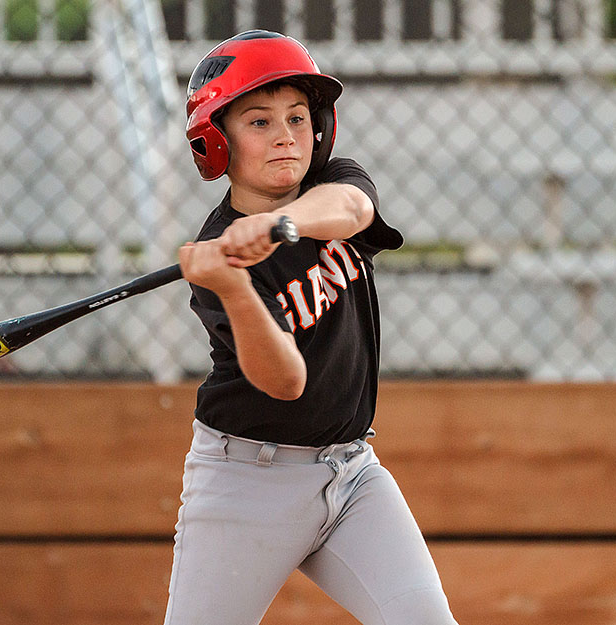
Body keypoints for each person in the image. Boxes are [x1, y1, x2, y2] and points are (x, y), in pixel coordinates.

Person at [170, 31, 460, 625]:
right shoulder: (216, 259)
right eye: (258, 121)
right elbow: (284, 381)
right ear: (216, 142)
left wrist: (279, 224)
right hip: (245, 480)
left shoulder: (334, 183)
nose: (285, 135)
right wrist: (231, 284)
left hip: (352, 474)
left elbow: (353, 211)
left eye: (299, 117)